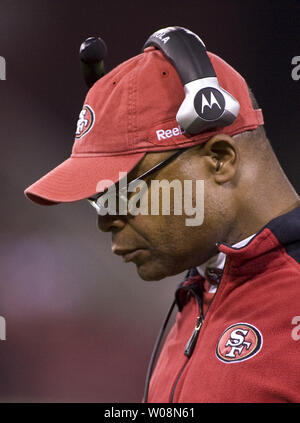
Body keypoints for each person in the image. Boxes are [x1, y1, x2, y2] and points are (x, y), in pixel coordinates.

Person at [25, 27, 300, 403]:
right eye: (99, 200)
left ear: (219, 159)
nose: (105, 221)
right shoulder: (201, 291)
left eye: (123, 192)